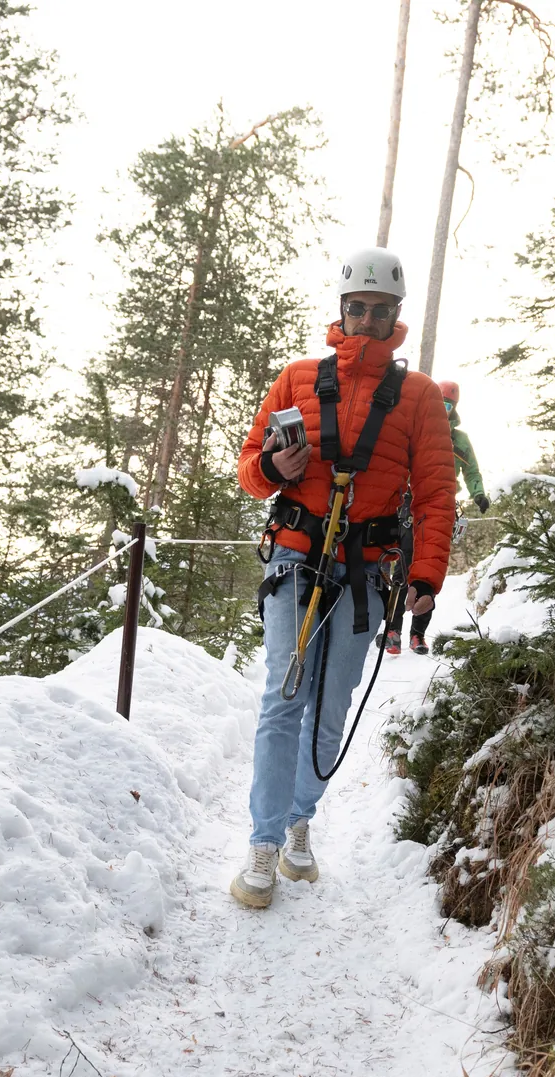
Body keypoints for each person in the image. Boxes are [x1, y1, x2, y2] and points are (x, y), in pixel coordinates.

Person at [229, 247, 456, 908]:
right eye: (356, 309)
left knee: (330, 714)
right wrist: (279, 469)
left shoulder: (417, 398)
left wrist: (426, 577)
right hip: (295, 557)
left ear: (395, 317)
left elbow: (437, 495)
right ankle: (265, 841)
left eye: (378, 311)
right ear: (341, 310)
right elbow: (248, 469)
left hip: (363, 571)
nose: (365, 321)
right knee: (283, 695)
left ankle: (301, 814)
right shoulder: (298, 378)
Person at [385, 379, 487, 656]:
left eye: (447, 405)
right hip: (409, 500)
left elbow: (472, 472)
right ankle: (391, 629)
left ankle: (417, 634)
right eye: (439, 403)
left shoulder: (459, 440)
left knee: (430, 567)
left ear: (454, 408)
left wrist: (478, 494)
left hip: (441, 503)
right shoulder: (416, 428)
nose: (442, 409)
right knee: (403, 562)